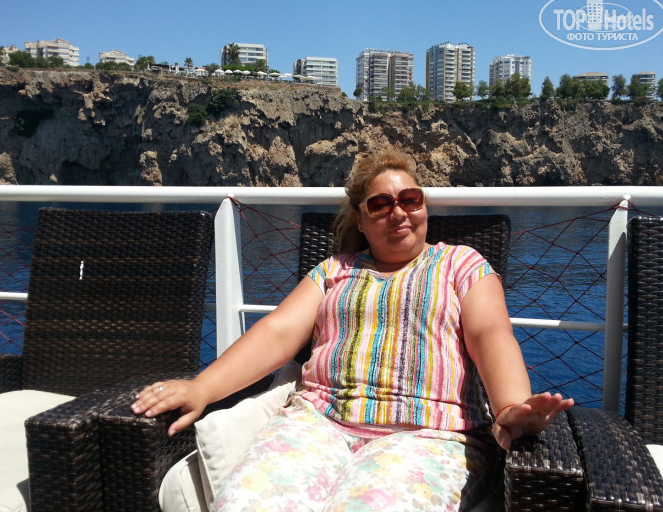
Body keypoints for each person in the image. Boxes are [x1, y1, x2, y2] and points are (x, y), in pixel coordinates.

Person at [132, 151, 574, 511]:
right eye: (380, 204)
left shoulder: (461, 264)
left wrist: (510, 407)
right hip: (317, 423)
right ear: (361, 220)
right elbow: (279, 332)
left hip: (427, 434)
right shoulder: (333, 271)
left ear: (424, 207)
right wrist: (202, 387)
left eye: (410, 199)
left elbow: (490, 334)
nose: (398, 212)